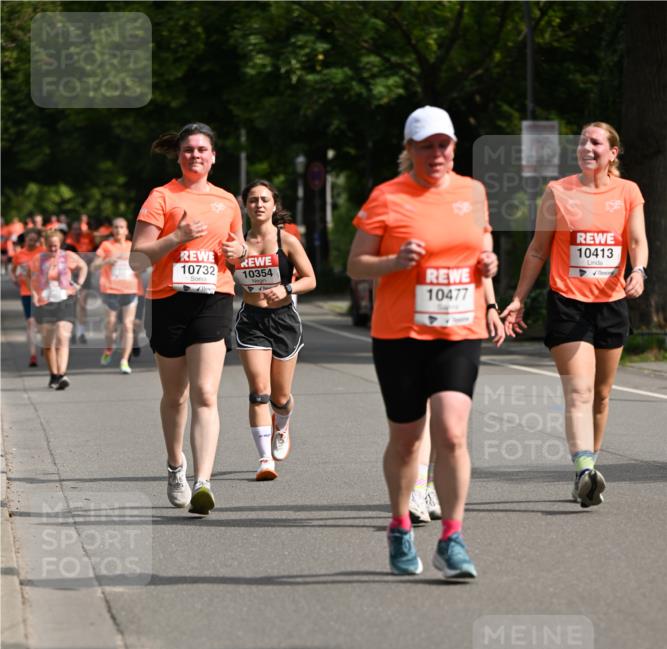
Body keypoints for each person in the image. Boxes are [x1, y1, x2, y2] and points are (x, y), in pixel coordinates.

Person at [347, 105, 507, 580]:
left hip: (459, 328)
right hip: (400, 334)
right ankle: (399, 527)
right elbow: (356, 265)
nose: (436, 154)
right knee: (407, 439)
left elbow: (483, 250)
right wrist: (394, 261)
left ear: (454, 147)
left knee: (453, 432)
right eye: (426, 146)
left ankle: (452, 538)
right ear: (410, 150)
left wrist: (490, 274)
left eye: (444, 145)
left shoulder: (473, 193)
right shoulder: (387, 197)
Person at [501, 122, 648, 508]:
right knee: (580, 390)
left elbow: (636, 242)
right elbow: (537, 251)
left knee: (601, 396)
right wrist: (518, 299)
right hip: (568, 302)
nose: (587, 147)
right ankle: (584, 469)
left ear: (612, 153)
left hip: (612, 303)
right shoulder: (558, 192)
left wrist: (639, 271)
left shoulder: (628, 191)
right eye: (582, 141)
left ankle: (588, 474)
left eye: (595, 142)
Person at [130, 121, 244, 515]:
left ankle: (203, 481)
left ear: (213, 156)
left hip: (213, 299)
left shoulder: (228, 201)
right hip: (168, 300)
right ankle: (176, 465)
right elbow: (137, 257)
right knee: (176, 396)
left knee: (206, 394)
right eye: (189, 150)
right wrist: (177, 237)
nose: (196, 155)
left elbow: (238, 253)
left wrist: (238, 252)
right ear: (179, 156)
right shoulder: (162, 197)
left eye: (202, 150)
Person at [229, 179, 316, 480]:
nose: (259, 204)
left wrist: (288, 288)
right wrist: (234, 260)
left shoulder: (287, 241)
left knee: (280, 398)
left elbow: (310, 279)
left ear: (274, 204)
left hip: (284, 321)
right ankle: (265, 459)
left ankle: (283, 422)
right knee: (259, 392)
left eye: (265, 199)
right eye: (253, 200)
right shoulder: (237, 243)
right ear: (245, 205)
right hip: (252, 321)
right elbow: (227, 280)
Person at [27, 228, 88, 389]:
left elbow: (83, 267)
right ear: (44, 244)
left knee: (63, 336)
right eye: (50, 246)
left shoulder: (68, 256)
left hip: (65, 299)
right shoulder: (38, 259)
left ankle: (62, 375)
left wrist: (79, 284)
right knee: (48, 344)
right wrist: (34, 294)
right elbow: (31, 278)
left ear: (60, 244)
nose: (53, 249)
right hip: (45, 302)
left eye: (56, 246)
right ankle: (53, 375)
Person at [93, 217, 142, 373]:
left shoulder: (132, 247)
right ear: (112, 229)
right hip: (111, 290)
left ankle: (124, 360)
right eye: (115, 227)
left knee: (128, 325)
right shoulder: (106, 246)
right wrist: (107, 261)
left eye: (121, 227)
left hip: (130, 289)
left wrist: (138, 266)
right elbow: (93, 266)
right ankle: (109, 348)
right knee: (111, 324)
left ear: (126, 230)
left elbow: (142, 267)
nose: (118, 230)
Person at [10, 226, 43, 366]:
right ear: (25, 240)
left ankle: (44, 343)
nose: (32, 243)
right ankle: (33, 354)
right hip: (26, 292)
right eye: (30, 240)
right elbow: (13, 271)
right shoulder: (19, 255)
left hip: (42, 292)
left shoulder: (42, 252)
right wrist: (14, 279)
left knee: (41, 324)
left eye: (35, 241)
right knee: (30, 322)